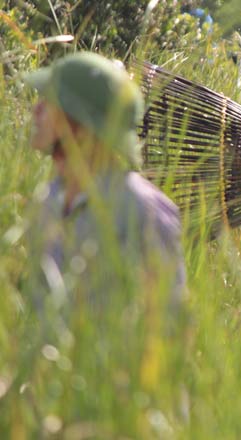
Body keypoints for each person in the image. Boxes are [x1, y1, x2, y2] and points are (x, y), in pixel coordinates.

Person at [23, 51, 187, 314]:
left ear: (80, 124)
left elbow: (171, 328)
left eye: (49, 101)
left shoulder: (143, 210)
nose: (36, 110)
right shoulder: (46, 199)